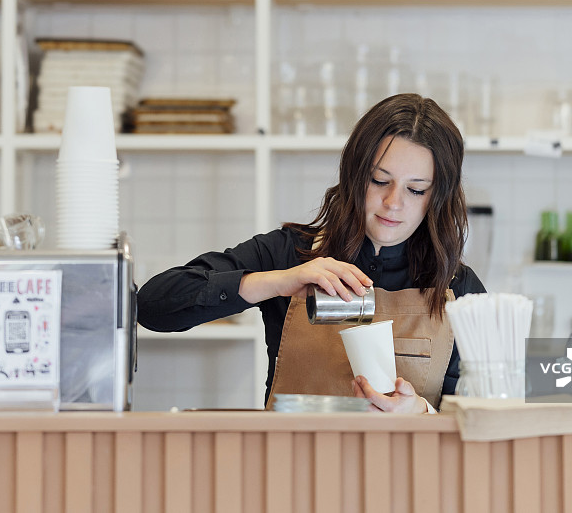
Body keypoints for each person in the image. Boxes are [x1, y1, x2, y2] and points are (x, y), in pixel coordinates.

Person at [137, 93, 485, 413]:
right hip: (290, 473)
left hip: (408, 476)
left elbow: (485, 413)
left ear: (437, 196)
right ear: (354, 175)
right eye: (380, 181)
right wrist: (276, 282)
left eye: (416, 189)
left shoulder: (460, 288)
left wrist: (424, 413)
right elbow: (152, 307)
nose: (394, 203)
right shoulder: (291, 254)